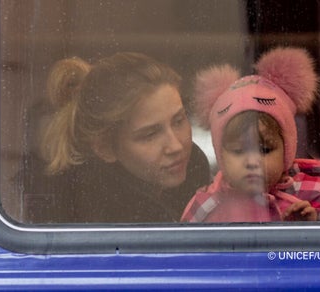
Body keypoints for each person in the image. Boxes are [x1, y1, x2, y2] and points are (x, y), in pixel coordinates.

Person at [181, 47, 320, 223]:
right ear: (220, 154)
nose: (252, 161)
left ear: (287, 149)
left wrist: (318, 218)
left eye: (265, 149)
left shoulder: (312, 190)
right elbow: (180, 251)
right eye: (238, 151)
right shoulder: (209, 204)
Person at [22, 52, 210, 223]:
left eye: (179, 120)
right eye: (150, 135)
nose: (176, 146)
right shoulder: (90, 213)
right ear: (105, 148)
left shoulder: (194, 166)